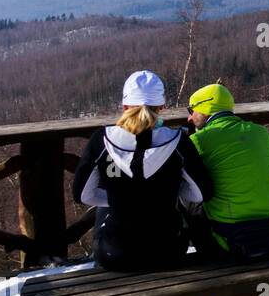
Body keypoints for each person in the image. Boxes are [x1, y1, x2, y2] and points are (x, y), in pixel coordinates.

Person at [73, 70, 213, 271]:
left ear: (124, 106)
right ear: (161, 107)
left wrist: (118, 198)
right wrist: (170, 191)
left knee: (106, 208)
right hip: (168, 252)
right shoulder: (178, 142)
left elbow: (82, 195)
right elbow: (203, 193)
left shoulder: (101, 140)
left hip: (116, 255)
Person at [185, 83, 269, 260]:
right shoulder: (260, 132)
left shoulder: (198, 141)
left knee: (189, 198)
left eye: (191, 110)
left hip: (227, 237)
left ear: (205, 108)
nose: (189, 117)